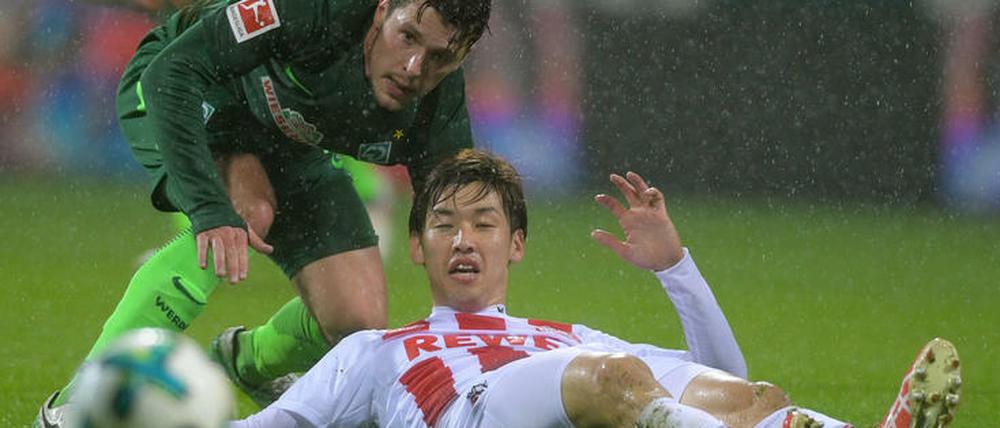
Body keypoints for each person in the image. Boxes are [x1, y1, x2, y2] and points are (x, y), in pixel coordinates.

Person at [232, 149, 963, 428]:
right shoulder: (377, 349)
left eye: (483, 223)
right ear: (418, 247)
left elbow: (728, 380)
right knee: (614, 380)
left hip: (584, 384)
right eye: (444, 223)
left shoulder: (567, 336)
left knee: (763, 403)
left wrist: (677, 269)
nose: (461, 238)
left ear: (514, 245)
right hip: (468, 414)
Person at [36, 0, 490, 425]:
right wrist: (211, 208)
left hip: (282, 138)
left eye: (439, 57)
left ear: (463, 56)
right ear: (382, 9)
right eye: (407, 37)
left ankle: (245, 363)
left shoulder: (440, 108)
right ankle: (79, 402)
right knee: (246, 211)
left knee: (358, 322)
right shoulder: (312, 11)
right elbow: (172, 72)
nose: (415, 68)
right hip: (186, 91)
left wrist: (474, 363)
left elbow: (456, 229)